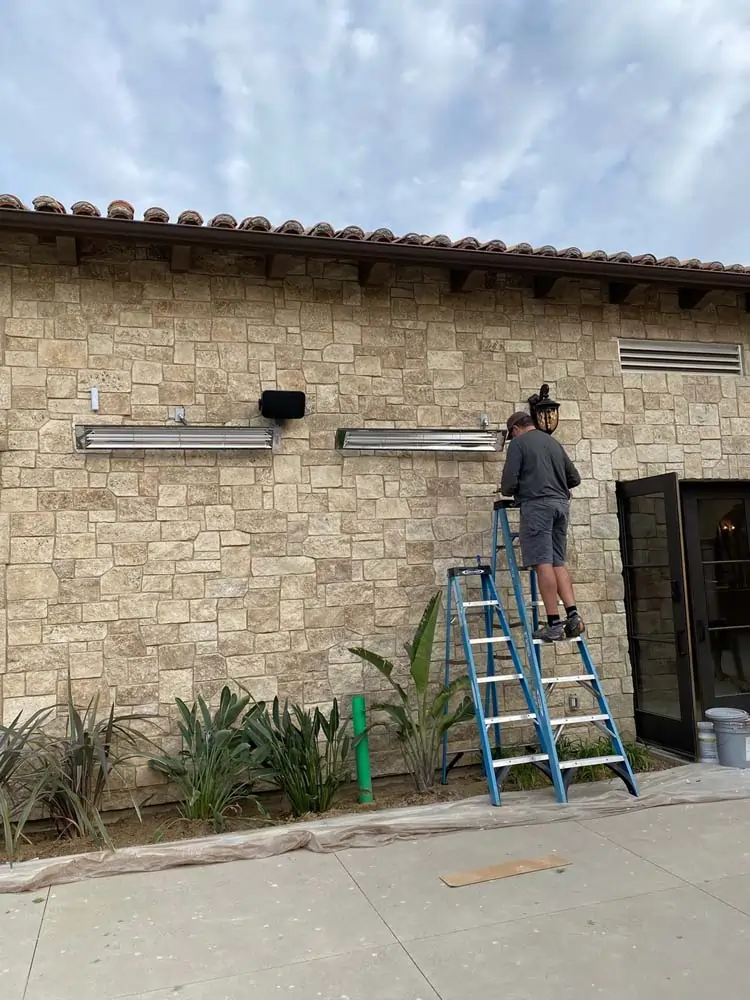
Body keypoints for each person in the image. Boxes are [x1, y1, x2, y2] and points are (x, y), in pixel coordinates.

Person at [500, 411, 584, 642]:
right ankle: (573, 615)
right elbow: (574, 479)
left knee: (542, 562)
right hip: (561, 506)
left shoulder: (518, 444)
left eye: (511, 434)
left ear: (515, 429)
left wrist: (512, 491)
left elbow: (508, 482)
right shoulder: (553, 442)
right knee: (558, 561)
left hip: (538, 507)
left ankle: (554, 624)